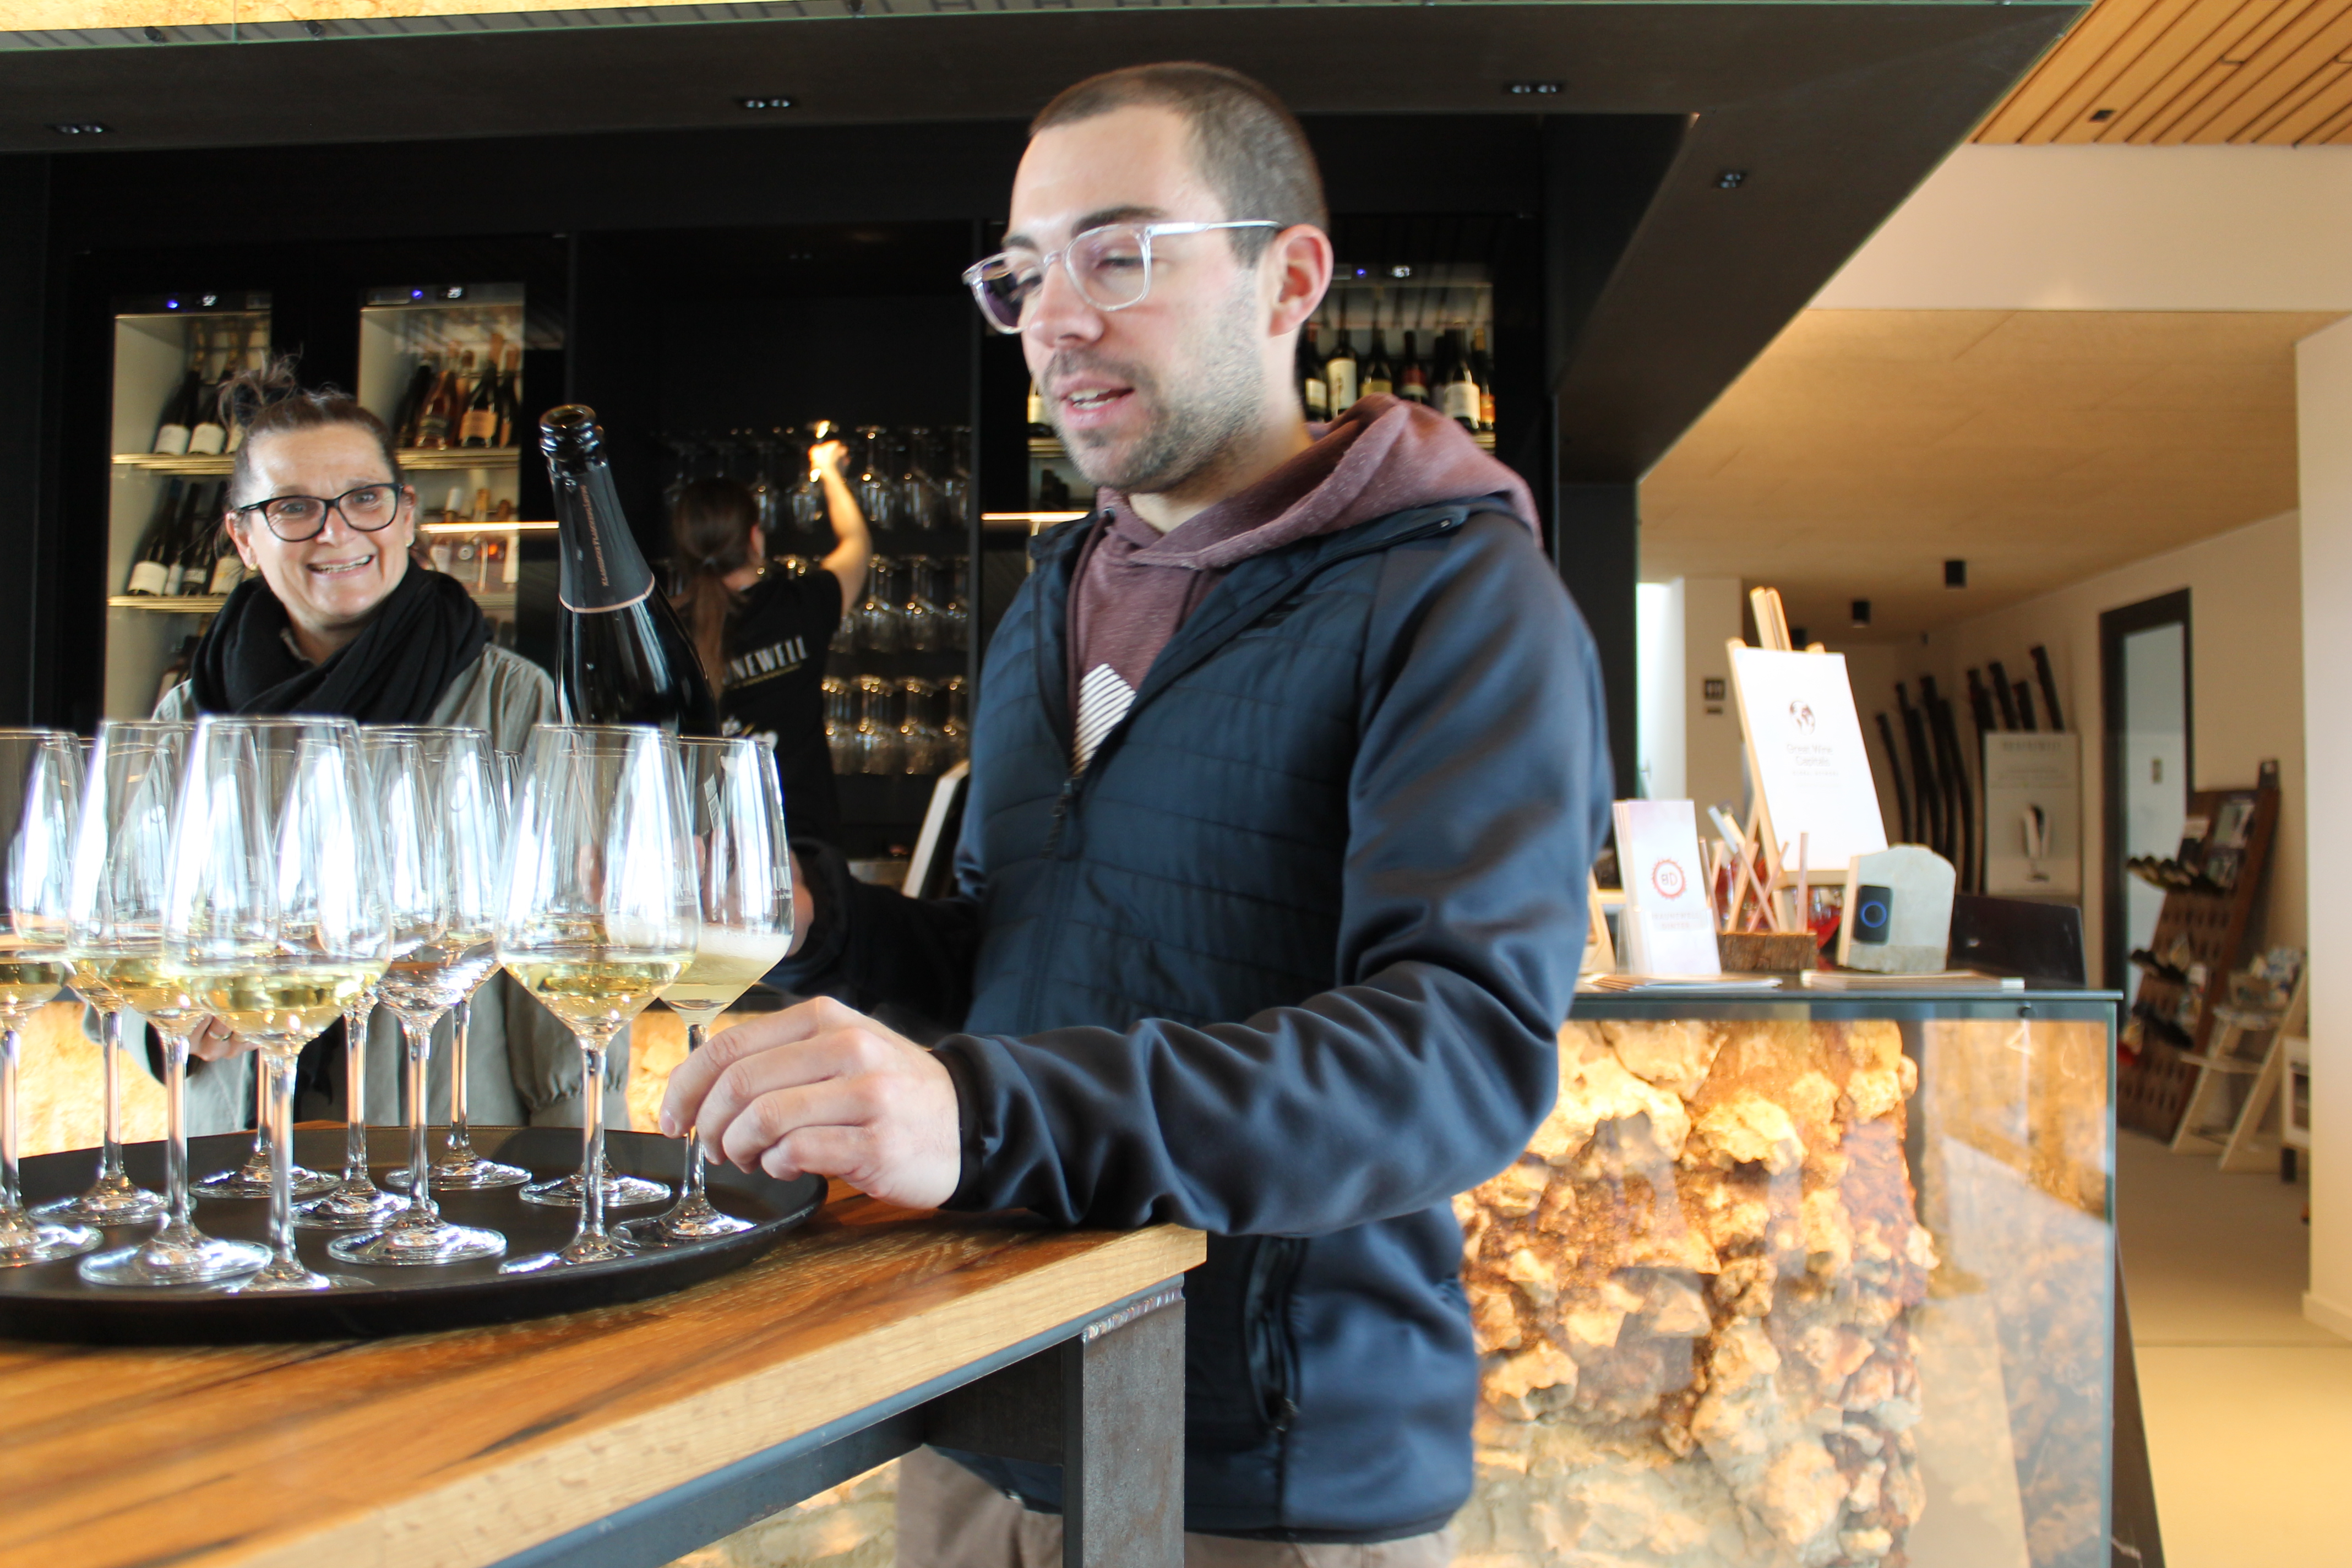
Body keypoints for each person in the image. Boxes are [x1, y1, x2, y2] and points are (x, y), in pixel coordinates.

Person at [662, 63, 1609, 1566]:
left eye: (1117, 257)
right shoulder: (1052, 598)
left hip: (1258, 1475)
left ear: (1289, 278)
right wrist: (817, 923)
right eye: (1023, 273)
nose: (1054, 320)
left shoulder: (1456, 596)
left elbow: (1456, 1056)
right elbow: (1008, 958)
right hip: (983, 1415)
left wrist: (977, 1114)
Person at [145, 363, 624, 1137]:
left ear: (406, 515)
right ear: (243, 537)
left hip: (449, 1148)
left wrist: (580, 1153)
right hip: (240, 1146)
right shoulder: (190, 717)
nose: (336, 532)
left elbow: (565, 962)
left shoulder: (510, 702)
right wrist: (170, 1013)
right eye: (293, 507)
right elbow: (126, 933)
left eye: (365, 499)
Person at [668, 437, 870, 845]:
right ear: (755, 539)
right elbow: (857, 543)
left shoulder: (664, 630)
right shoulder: (799, 605)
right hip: (802, 844)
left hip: (703, 850)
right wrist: (829, 472)